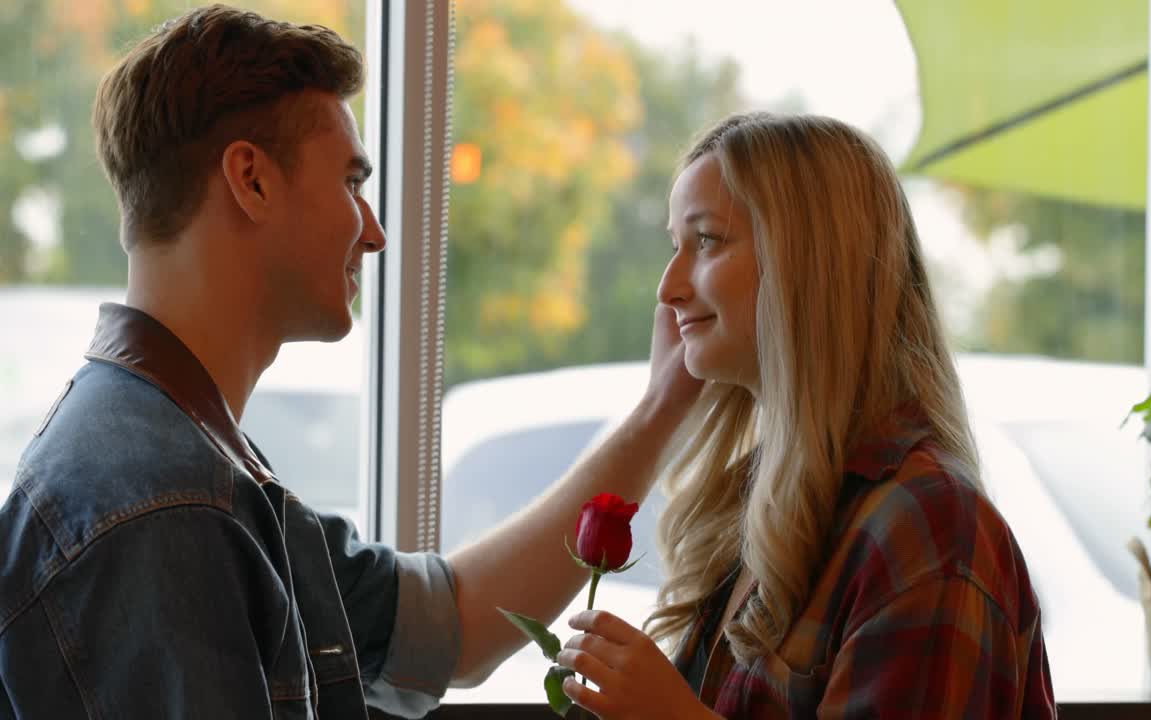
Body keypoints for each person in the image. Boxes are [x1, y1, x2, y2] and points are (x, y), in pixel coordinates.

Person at [0, 5, 701, 718]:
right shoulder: (164, 506)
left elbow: (453, 627)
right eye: (352, 183)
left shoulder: (189, 462)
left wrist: (663, 403)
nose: (375, 233)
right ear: (252, 180)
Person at [555, 113, 1058, 719]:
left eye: (707, 240)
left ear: (810, 263)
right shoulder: (761, 499)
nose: (668, 288)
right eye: (674, 246)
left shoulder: (930, 529)